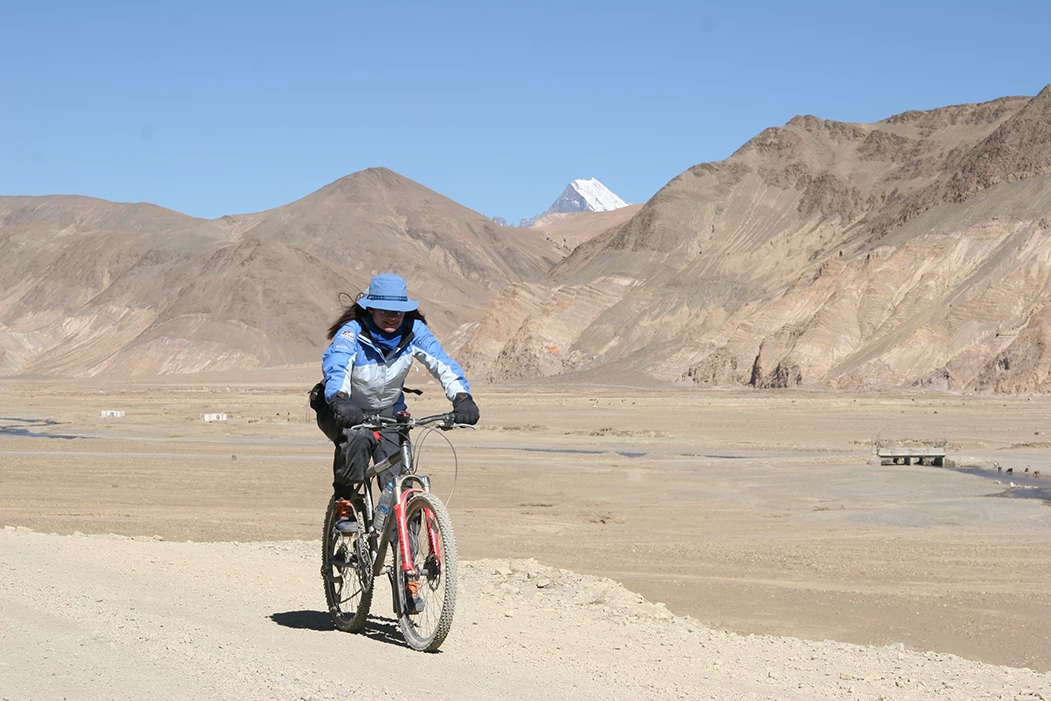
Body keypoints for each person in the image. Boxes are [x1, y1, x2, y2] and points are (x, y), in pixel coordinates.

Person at [313, 273, 480, 534]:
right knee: (357, 440)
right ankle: (344, 500)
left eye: (399, 311)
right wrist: (340, 399)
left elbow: (442, 363)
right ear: (370, 309)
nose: (393, 316)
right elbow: (337, 365)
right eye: (385, 311)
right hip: (344, 410)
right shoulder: (352, 332)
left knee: (399, 485)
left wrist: (462, 398)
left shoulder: (414, 331)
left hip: (389, 413)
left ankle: (406, 561)